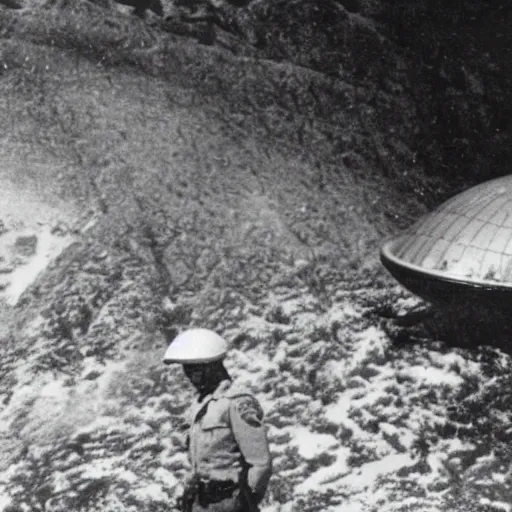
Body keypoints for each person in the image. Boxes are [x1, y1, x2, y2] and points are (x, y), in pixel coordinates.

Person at [163, 328, 272, 512]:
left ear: (212, 367)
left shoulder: (237, 402)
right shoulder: (199, 407)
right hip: (202, 503)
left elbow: (261, 464)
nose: (190, 376)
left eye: (196, 370)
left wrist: (245, 502)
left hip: (230, 501)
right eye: (187, 370)